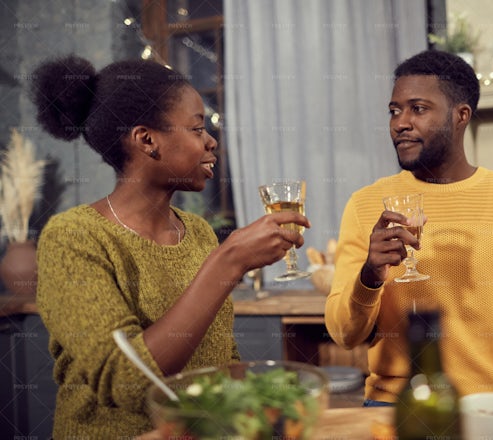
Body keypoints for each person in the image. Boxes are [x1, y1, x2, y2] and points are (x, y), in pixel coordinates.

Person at [31, 55, 310, 438]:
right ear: (147, 140)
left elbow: (221, 358)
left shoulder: (196, 232)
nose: (211, 141)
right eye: (197, 129)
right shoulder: (73, 238)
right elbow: (129, 381)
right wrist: (227, 263)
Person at [324, 49, 493, 405]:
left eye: (418, 108)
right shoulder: (366, 204)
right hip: (398, 404)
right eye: (394, 110)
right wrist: (370, 276)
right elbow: (345, 334)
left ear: (461, 115)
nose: (400, 122)